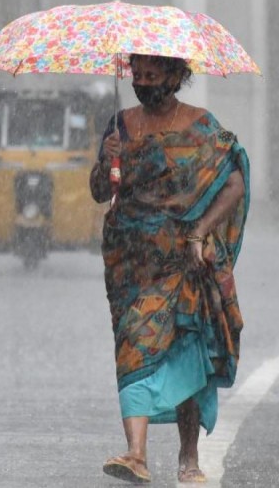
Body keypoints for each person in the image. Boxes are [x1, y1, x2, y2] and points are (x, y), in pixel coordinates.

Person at [89, 54, 249, 484]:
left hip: (183, 261)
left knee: (186, 352)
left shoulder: (201, 127)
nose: (142, 82)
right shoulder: (119, 126)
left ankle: (189, 457)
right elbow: (99, 190)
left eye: (152, 75)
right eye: (136, 75)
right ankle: (136, 454)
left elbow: (234, 183)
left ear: (176, 77)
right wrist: (108, 161)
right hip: (131, 265)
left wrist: (199, 233)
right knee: (132, 349)